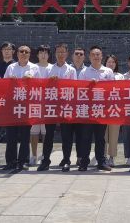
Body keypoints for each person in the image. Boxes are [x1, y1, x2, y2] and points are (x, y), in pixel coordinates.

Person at [78, 46, 114, 171]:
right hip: (88, 110)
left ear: (102, 56)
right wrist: (89, 86)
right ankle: (84, 162)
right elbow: (79, 90)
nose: (96, 57)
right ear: (89, 57)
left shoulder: (108, 71)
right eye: (93, 54)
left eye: (98, 54)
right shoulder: (84, 72)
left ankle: (101, 162)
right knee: (86, 137)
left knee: (100, 138)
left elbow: (112, 89)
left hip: (102, 110)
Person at [3, 44, 39, 170]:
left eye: (26, 52)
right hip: (12, 105)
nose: (23, 53)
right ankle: (10, 161)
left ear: (29, 54)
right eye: (21, 51)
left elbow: (39, 86)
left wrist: (31, 81)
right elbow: (3, 84)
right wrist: (10, 81)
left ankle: (23, 161)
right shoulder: (11, 67)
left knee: (25, 135)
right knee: (11, 135)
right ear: (17, 53)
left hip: (26, 105)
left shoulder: (34, 68)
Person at [45, 43, 77, 172]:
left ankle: (66, 160)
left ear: (67, 54)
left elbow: (74, 88)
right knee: (49, 135)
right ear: (55, 53)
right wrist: (50, 82)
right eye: (58, 51)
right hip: (51, 106)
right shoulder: (49, 69)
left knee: (66, 135)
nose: (60, 54)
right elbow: (43, 87)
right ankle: (45, 160)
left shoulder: (71, 70)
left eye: (63, 52)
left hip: (66, 105)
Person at [30, 45, 52, 166]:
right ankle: (34, 155)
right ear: (37, 55)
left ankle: (44, 154)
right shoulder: (33, 67)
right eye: (41, 53)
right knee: (34, 131)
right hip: (34, 102)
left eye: (45, 53)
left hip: (48, 104)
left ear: (48, 55)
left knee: (45, 131)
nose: (43, 55)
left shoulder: (52, 68)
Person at [104, 54, 125, 167]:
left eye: (113, 62)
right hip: (102, 109)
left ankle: (111, 157)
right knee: (103, 135)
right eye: (109, 62)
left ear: (116, 64)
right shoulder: (102, 74)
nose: (111, 64)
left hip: (115, 109)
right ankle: (102, 157)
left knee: (114, 135)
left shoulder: (120, 76)